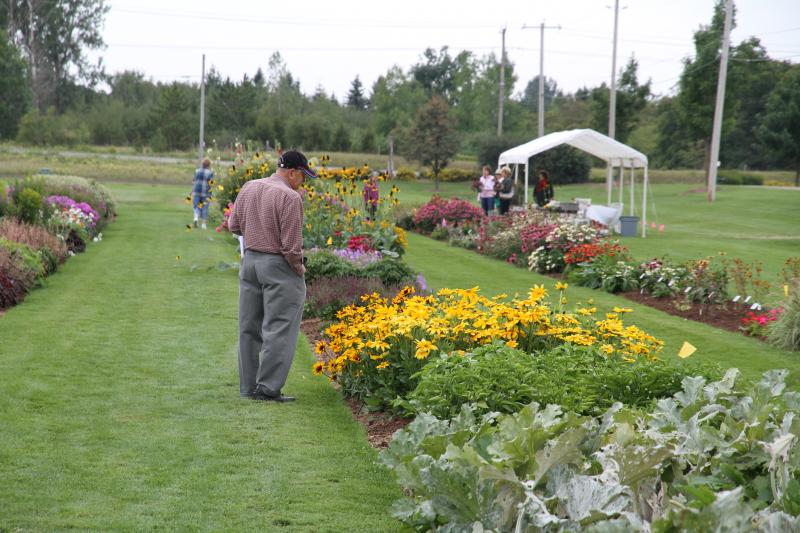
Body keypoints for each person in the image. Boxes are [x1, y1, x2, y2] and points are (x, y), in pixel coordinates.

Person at [227, 150, 316, 403]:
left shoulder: (249, 186)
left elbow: (234, 226)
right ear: (291, 172)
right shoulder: (290, 197)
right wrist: (300, 269)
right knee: (279, 327)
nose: (304, 182)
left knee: (248, 326)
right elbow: (291, 246)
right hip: (278, 265)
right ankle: (267, 388)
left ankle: (248, 386)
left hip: (250, 263)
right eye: (303, 175)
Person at [192, 158, 214, 229]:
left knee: (196, 206)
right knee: (205, 207)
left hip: (196, 192)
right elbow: (211, 183)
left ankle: (196, 218)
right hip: (206, 193)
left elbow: (193, 181)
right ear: (209, 165)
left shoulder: (197, 171)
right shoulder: (210, 173)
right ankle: (203, 224)